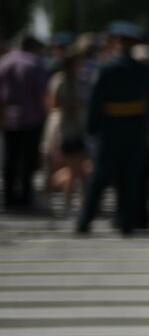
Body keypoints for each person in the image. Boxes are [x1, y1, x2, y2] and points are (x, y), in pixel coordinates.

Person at [77, 22, 149, 234]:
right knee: (129, 177)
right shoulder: (143, 70)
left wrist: (92, 127)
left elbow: (96, 100)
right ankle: (126, 221)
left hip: (111, 127)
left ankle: (85, 220)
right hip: (135, 127)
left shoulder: (107, 68)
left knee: (100, 177)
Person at [0, 34, 48, 210]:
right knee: (28, 159)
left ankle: (8, 197)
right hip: (31, 118)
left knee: (10, 158)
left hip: (8, 117)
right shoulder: (35, 63)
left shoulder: (3, 62)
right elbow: (42, 93)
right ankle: (25, 195)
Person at [42, 48, 89, 217]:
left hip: (79, 129)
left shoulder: (81, 80)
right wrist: (71, 105)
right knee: (71, 168)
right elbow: (53, 103)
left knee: (80, 169)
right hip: (64, 129)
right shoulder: (60, 81)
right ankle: (65, 200)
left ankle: (76, 201)